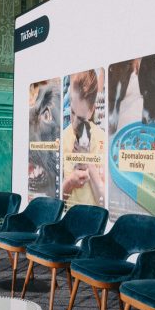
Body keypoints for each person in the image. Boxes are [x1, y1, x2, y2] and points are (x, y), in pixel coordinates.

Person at [62, 70, 106, 207]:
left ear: (91, 110)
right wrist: (70, 182)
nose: (74, 123)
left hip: (94, 219)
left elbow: (104, 202)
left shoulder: (102, 139)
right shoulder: (63, 138)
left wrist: (88, 161)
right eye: (72, 112)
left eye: (80, 118)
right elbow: (55, 200)